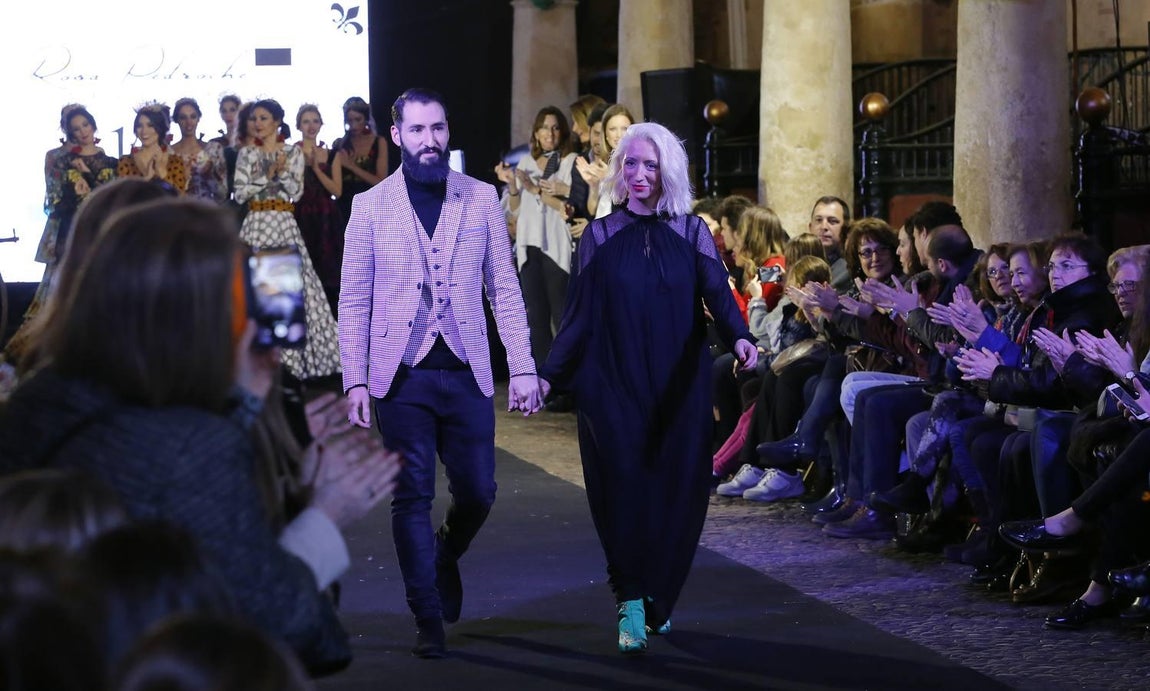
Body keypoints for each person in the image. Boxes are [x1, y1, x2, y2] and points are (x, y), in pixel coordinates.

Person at [0, 198, 383, 675]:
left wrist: (243, 406)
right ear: (202, 316)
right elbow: (291, 627)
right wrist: (325, 511)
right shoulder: (192, 447)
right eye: (242, 301)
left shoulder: (39, 396)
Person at [538, 122, 757, 654]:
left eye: (650, 165)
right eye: (630, 164)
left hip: (678, 386)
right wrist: (546, 374)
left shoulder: (690, 233)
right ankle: (629, 599)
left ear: (668, 171)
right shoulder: (601, 235)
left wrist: (742, 337)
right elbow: (579, 317)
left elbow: (719, 297)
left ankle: (659, 591)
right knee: (622, 492)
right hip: (611, 384)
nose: (638, 175)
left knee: (677, 495)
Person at [340, 87, 543, 659]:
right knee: (410, 497)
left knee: (479, 491)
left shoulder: (478, 199)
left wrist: (522, 367)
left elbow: (504, 288)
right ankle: (426, 615)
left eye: (439, 129)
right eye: (419, 130)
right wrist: (354, 378)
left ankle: (446, 552)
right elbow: (353, 300)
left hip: (466, 368)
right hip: (399, 374)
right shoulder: (370, 206)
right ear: (397, 134)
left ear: (447, 132)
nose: (431, 140)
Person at [234, 98, 342, 381]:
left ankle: (291, 366)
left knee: (289, 293)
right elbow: (241, 193)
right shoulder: (246, 154)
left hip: (282, 222)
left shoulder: (291, 153)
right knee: (253, 293)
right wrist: (268, 175)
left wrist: (279, 173)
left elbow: (294, 192)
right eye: (254, 118)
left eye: (264, 118)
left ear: (277, 122)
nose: (258, 123)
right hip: (256, 223)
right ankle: (254, 361)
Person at [500, 105, 578, 373]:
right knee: (535, 318)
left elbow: (568, 205)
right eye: (545, 127)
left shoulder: (568, 161)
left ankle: (566, 381)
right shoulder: (525, 163)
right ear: (536, 132)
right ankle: (544, 377)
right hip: (528, 247)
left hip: (556, 247)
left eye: (556, 127)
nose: (550, 133)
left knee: (561, 315)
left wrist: (534, 189)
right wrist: (512, 185)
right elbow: (516, 209)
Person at [293, 104, 344, 314]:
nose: (311, 126)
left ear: (321, 124)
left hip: (326, 216)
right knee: (302, 270)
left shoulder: (332, 154)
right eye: (306, 121)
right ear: (298, 125)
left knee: (328, 270)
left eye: (315, 121)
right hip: (300, 214)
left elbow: (337, 190)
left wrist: (315, 168)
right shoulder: (291, 153)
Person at [333, 96, 389, 226]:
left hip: (371, 207)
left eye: (358, 119)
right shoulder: (341, 144)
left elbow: (380, 181)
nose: (354, 125)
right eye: (350, 120)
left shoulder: (378, 142)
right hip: (344, 207)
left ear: (366, 118)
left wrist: (351, 166)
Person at [117, 103, 189, 193]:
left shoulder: (175, 161)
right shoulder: (126, 161)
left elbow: (180, 199)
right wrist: (146, 180)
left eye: (150, 125)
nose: (144, 131)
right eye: (139, 126)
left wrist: (162, 173)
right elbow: (122, 199)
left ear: (160, 128)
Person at [171, 97, 228, 203]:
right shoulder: (169, 153)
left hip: (207, 212)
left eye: (193, 116)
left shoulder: (214, 149)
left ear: (198, 118)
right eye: (183, 117)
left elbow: (223, 193)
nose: (189, 122)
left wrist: (209, 175)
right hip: (178, 212)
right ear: (177, 120)